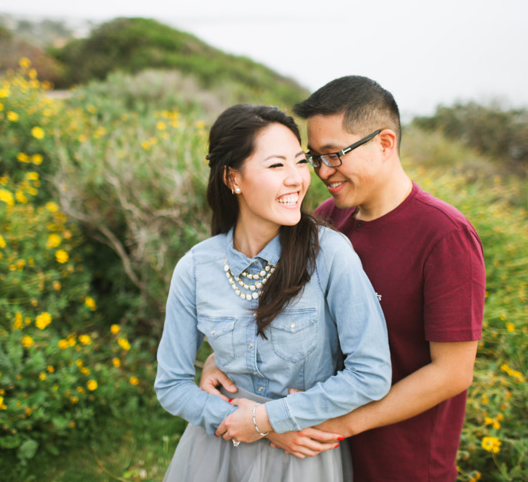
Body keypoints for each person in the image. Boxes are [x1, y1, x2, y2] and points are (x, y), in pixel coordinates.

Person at [201, 77, 486, 481]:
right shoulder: (329, 219)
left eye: (334, 155)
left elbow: (453, 372)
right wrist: (224, 359)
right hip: (321, 458)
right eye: (313, 157)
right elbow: (284, 317)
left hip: (401, 463)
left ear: (385, 143)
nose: (321, 172)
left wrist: (334, 425)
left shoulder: (444, 236)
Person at [155, 103, 392, 482]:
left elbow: (371, 374)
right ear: (233, 178)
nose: (297, 179)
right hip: (217, 450)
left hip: (301, 458)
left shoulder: (329, 254)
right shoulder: (196, 268)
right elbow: (172, 384)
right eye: (276, 165)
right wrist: (240, 421)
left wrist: (269, 420)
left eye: (300, 162)